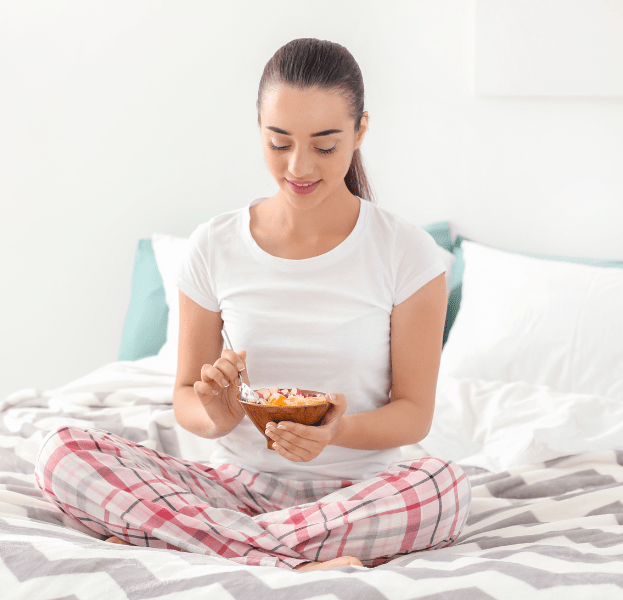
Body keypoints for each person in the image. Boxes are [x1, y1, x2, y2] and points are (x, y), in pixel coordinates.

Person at [36, 38, 471, 571]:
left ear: (360, 131)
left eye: (325, 145)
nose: (299, 165)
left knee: (443, 487)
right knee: (62, 453)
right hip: (234, 489)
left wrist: (337, 431)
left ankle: (200, 543)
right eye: (279, 141)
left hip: (358, 495)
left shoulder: (408, 254)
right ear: (259, 129)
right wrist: (216, 415)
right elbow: (185, 396)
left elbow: (413, 413)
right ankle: (284, 554)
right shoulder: (213, 246)